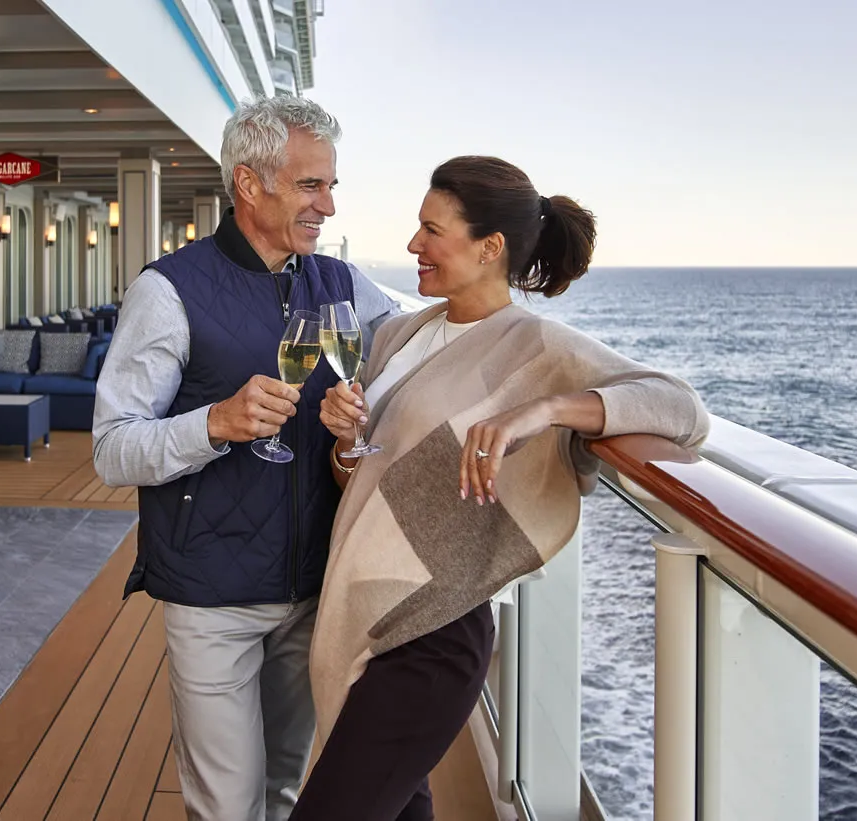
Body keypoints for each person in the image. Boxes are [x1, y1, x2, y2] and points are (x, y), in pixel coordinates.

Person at [296, 156, 710, 820]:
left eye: (432, 230)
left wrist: (543, 411)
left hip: (432, 633)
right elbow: (358, 476)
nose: (413, 246)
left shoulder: (538, 348)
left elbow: (681, 408)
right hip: (357, 615)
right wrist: (345, 439)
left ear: (490, 247)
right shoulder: (402, 333)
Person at [93, 96, 396, 821]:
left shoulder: (345, 284)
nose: (327, 204)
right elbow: (110, 449)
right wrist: (214, 424)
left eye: (330, 186)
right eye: (309, 185)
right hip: (212, 592)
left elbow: (420, 354)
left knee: (286, 789)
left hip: (313, 587)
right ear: (249, 184)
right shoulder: (166, 291)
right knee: (227, 806)